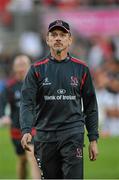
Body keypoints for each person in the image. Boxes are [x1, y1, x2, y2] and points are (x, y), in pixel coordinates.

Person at [20, 20, 99, 179]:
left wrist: (93, 138)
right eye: (53, 35)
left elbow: (91, 106)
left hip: (72, 135)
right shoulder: (36, 70)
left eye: (62, 35)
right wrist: (27, 130)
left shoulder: (81, 69)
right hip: (45, 137)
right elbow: (27, 103)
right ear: (47, 39)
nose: (58, 38)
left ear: (70, 40)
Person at [0, 54, 41, 179]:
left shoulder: (37, 84)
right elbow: (1, 103)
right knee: (22, 161)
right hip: (16, 130)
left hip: (33, 128)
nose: (22, 68)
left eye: (24, 65)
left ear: (29, 67)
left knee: (32, 157)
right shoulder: (10, 86)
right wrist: (3, 116)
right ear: (14, 68)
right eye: (19, 65)